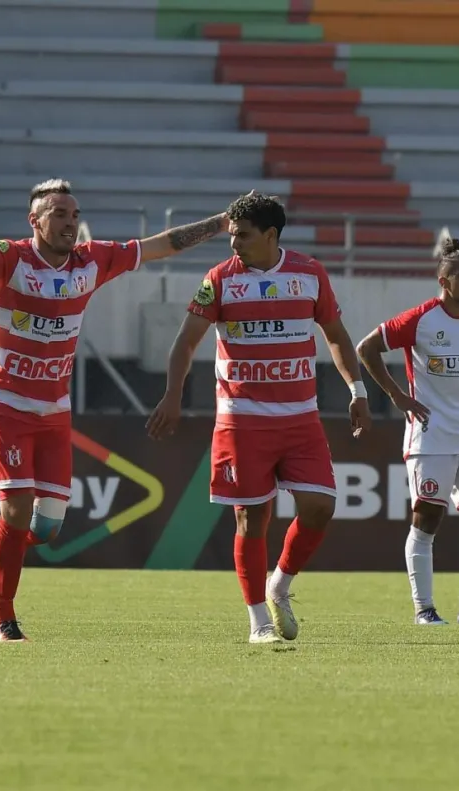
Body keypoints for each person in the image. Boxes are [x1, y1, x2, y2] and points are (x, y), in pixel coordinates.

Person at [0, 179, 229, 642]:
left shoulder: (92, 260)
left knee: (46, 528)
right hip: (3, 398)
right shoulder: (11, 257)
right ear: (35, 221)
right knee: (15, 509)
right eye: (59, 214)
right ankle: (2, 619)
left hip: (53, 407)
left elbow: (161, 246)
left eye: (74, 215)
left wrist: (220, 223)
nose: (70, 223)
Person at [146, 192, 372, 644]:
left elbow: (336, 335)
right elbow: (187, 340)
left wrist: (357, 388)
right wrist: (173, 394)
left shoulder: (309, 275)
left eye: (243, 236)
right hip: (241, 418)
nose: (234, 245)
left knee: (320, 508)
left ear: (271, 235)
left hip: (300, 418)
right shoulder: (220, 280)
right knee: (251, 518)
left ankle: (280, 585)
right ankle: (258, 622)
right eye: (231, 236)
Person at [356, 237, 459, 626]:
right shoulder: (421, 319)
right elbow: (366, 348)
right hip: (431, 436)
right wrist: (396, 395)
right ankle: (425, 609)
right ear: (444, 280)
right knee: (427, 521)